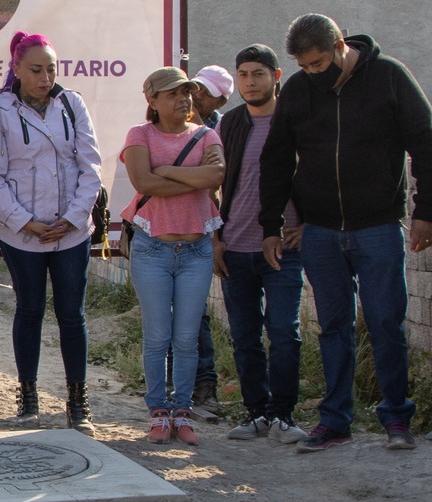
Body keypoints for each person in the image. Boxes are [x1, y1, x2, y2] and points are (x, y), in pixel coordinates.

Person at [260, 14, 432, 453]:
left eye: (319, 63)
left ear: (340, 45)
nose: (313, 73)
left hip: (378, 226)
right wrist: (272, 225)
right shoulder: (299, 91)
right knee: (332, 326)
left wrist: (426, 212)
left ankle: (397, 417)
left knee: (385, 322)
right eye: (304, 67)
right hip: (320, 230)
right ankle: (335, 420)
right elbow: (277, 159)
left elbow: (426, 143)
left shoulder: (389, 77)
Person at [0, 31, 102, 425]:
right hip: (22, 233)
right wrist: (24, 222)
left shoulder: (71, 104)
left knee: (72, 314)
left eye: (51, 68)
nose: (46, 77)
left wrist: (73, 217)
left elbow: (91, 167)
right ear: (15, 69)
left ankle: (77, 401)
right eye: (36, 69)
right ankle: (28, 398)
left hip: (71, 231)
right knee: (29, 310)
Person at [121, 67, 224, 443]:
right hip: (153, 250)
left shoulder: (206, 134)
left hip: (197, 251)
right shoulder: (140, 135)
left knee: (186, 338)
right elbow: (143, 182)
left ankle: (183, 412)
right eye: (172, 94)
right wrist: (186, 175)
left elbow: (215, 176)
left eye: (186, 93)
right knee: (157, 336)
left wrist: (165, 170)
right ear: (152, 101)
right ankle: (158, 413)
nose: (183, 99)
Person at [213, 45, 308, 444]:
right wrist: (215, 237)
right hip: (235, 245)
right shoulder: (230, 124)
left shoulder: (297, 120)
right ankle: (256, 413)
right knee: (245, 335)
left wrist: (306, 223)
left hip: (283, 248)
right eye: (243, 75)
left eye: (258, 74)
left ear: (277, 76)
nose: (250, 82)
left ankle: (283, 414)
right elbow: (212, 183)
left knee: (284, 332)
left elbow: (316, 175)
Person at [184, 64, 234, 414]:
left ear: (220, 99)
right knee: (170, 318)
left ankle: (204, 388)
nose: (197, 94)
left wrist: (217, 237)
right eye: (195, 87)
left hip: (206, 231)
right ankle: (175, 390)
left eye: (205, 91)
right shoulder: (167, 127)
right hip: (166, 231)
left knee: (197, 313)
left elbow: (215, 186)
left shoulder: (220, 132)